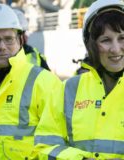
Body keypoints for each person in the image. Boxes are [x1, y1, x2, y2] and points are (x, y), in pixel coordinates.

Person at [0, 4, 62, 160]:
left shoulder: (45, 82)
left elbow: (56, 144)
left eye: (9, 39)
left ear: (20, 40)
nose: (2, 47)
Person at [33, 0, 124, 159]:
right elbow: (44, 146)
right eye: (106, 40)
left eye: (122, 38)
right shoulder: (68, 90)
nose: (116, 49)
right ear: (91, 45)